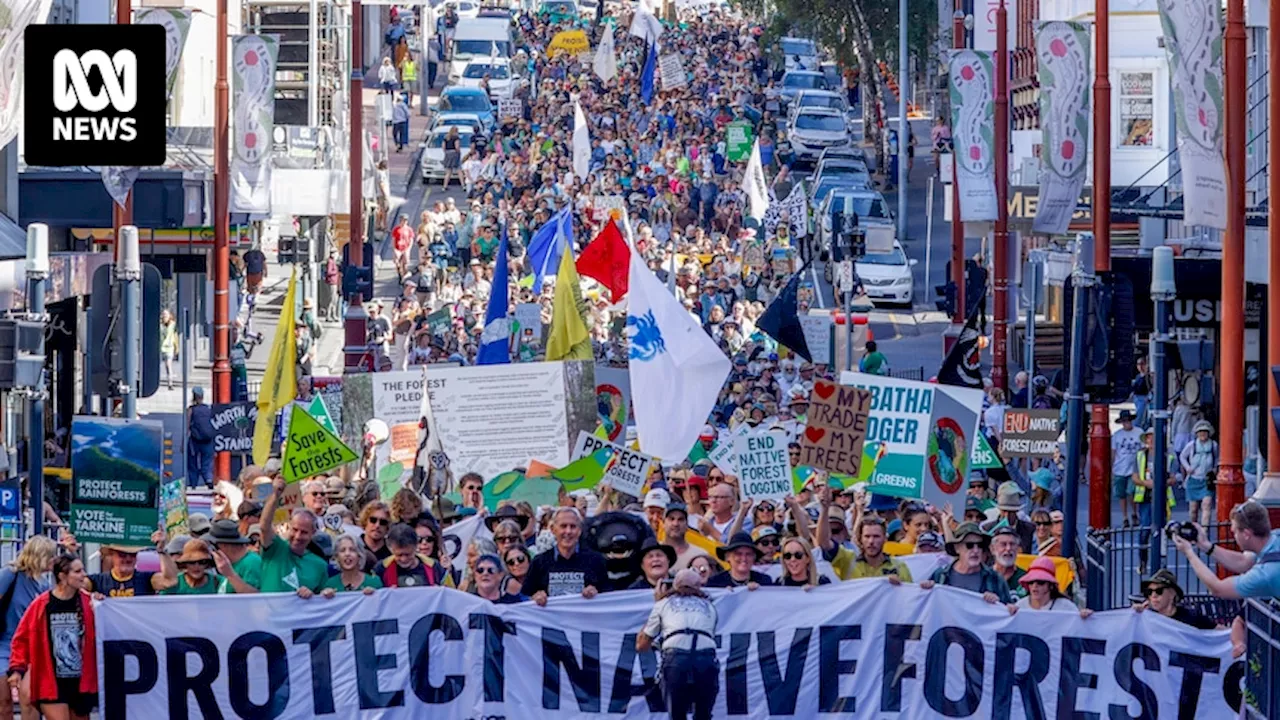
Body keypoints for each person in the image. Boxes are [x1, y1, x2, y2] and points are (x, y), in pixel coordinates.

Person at [7, 554, 97, 720]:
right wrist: (17, 669)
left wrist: (102, 606)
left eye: (83, 570)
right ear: (62, 576)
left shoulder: (88, 603)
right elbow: (21, 638)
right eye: (77, 571)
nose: (83, 574)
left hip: (81, 682)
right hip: (51, 681)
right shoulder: (42, 604)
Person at [637, 569, 719, 720]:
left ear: (674, 585)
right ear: (699, 587)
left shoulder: (663, 604)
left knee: (676, 714)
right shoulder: (710, 606)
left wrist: (657, 603)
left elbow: (641, 644)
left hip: (675, 658)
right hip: (705, 659)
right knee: (703, 714)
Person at [1175, 500, 1280, 599]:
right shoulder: (1275, 536)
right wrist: (1205, 545)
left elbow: (1219, 589)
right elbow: (1243, 561)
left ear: (1247, 534)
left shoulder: (1266, 574)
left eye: (1234, 532)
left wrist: (1189, 553)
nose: (1233, 535)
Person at [0, 536, 55, 719]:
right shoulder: (10, 574)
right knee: (4, 703)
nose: (53, 561)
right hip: (3, 643)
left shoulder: (44, 585)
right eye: (50, 556)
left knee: (30, 701)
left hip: (28, 649)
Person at [259, 474, 329, 596]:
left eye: (304, 532)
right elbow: (264, 527)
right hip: (269, 614)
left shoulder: (319, 565)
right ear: (289, 527)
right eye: (295, 530)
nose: (297, 536)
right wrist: (275, 495)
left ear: (313, 533)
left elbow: (323, 600)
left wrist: (314, 595)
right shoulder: (276, 548)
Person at [524, 508, 607, 605]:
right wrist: (534, 597)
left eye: (573, 526)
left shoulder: (596, 561)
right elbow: (524, 598)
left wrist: (597, 593)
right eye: (563, 526)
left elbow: (609, 597)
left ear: (579, 530)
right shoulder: (539, 562)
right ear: (553, 530)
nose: (568, 531)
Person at [922, 522, 1012, 604]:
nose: (976, 550)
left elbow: (1009, 612)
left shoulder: (995, 578)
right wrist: (925, 590)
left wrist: (997, 603)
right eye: (969, 545)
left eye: (980, 545)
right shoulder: (940, 575)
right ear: (957, 548)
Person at [85, 532, 167, 597]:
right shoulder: (97, 581)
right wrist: (72, 552)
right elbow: (75, 584)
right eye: (122, 554)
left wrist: (162, 551)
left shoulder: (146, 579)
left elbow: (170, 580)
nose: (128, 559)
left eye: (132, 554)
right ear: (111, 555)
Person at [1131, 568, 1215, 629]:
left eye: (1159, 591)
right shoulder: (1147, 617)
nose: (1153, 595)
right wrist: (1134, 615)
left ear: (1172, 594)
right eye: (1149, 592)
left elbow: (1219, 631)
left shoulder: (1190, 617)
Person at [379, 523, 451, 588]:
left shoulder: (434, 567)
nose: (403, 559)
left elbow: (452, 593)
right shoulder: (382, 569)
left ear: (416, 546)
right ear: (390, 549)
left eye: (408, 554)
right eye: (399, 555)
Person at [1015, 556, 1090, 618]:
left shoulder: (1066, 607)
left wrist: (1084, 617)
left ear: (1050, 586)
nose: (1035, 586)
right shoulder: (1020, 606)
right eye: (1031, 582)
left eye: (1041, 582)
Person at [847, 516, 912, 581]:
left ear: (885, 539)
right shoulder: (849, 568)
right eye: (867, 536)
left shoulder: (899, 567)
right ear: (860, 539)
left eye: (876, 536)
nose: (871, 541)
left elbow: (911, 590)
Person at [1179, 419, 1218, 527]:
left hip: (1206, 479)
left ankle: (1204, 531)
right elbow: (1182, 456)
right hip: (1194, 479)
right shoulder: (1192, 445)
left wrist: (1214, 469)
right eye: (1200, 432)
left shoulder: (1213, 445)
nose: (1203, 434)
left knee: (1207, 504)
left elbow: (1216, 458)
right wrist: (1187, 468)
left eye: (1205, 432)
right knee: (1193, 509)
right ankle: (1195, 529)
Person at [207, 520, 261, 594]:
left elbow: (254, 597)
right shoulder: (230, 564)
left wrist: (230, 574)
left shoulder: (251, 563)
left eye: (213, 546)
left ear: (224, 545)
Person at [1112, 409, 1143, 527]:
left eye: (1128, 421)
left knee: (1131, 491)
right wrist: (1112, 468)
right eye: (1124, 421)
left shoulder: (1139, 432)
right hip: (1120, 468)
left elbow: (1143, 449)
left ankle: (1134, 513)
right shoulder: (1117, 435)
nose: (1127, 423)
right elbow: (1113, 452)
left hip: (1134, 468)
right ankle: (1125, 516)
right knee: (1121, 494)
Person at [186, 387, 216, 488]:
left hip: (194, 441)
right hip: (208, 440)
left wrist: (183, 443)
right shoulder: (208, 409)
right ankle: (208, 479)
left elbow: (187, 427)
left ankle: (193, 484)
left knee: (192, 464)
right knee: (207, 462)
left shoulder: (191, 410)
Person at [989, 525, 1026, 599]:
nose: (1008, 548)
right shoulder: (984, 576)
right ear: (992, 549)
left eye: (1012, 544)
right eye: (1003, 544)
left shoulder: (1026, 578)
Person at [160, 309, 178, 390]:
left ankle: (170, 383)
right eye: (163, 315)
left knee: (168, 365)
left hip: (169, 347)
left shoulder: (173, 325)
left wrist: (176, 347)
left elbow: (175, 336)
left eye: (166, 315)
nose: (165, 316)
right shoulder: (160, 325)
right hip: (161, 347)